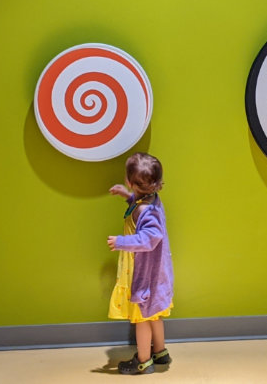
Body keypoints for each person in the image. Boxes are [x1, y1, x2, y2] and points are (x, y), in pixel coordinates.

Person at [107, 152, 174, 375]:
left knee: (142, 318)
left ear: (130, 180)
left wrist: (121, 242)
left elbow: (149, 239)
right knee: (154, 314)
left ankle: (144, 360)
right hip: (152, 272)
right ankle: (160, 351)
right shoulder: (149, 199)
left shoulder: (147, 210)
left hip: (146, 275)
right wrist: (127, 196)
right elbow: (138, 209)